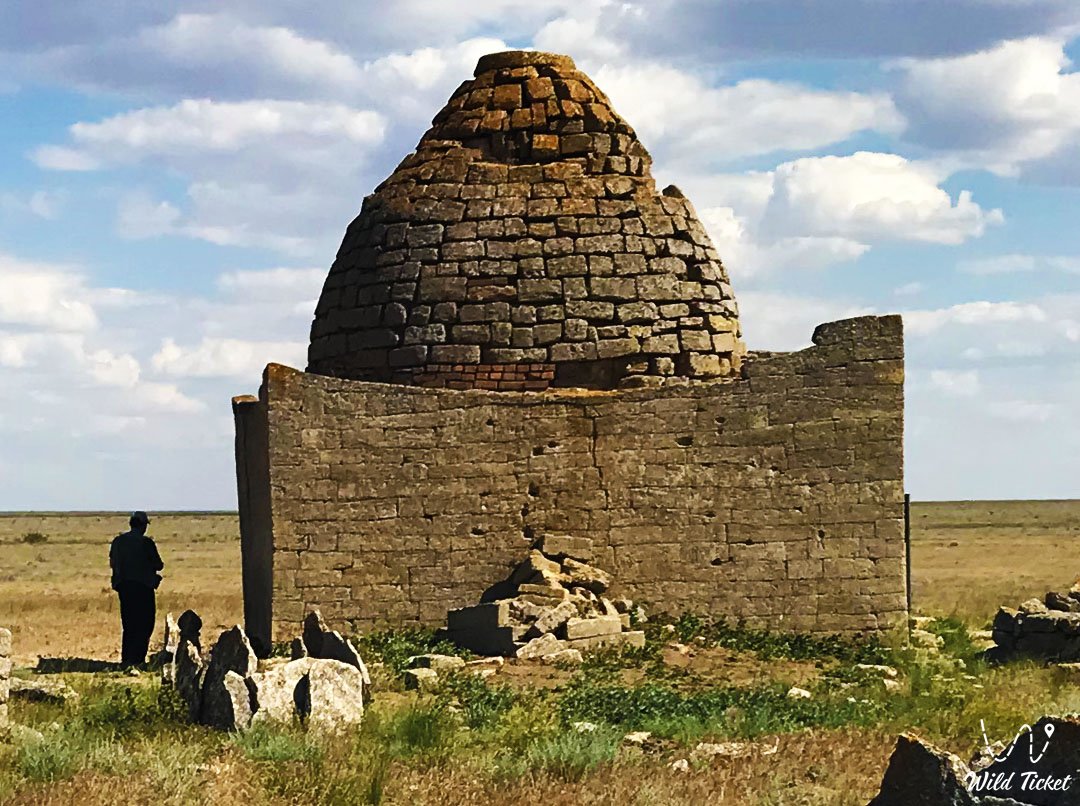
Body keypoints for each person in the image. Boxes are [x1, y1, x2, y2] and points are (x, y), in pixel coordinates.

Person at [109, 511, 164, 667]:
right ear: (142, 526)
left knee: (129, 624)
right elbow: (158, 564)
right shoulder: (146, 543)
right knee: (145, 624)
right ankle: (138, 659)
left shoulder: (118, 541)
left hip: (125, 588)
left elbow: (113, 563)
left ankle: (127, 659)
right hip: (143, 588)